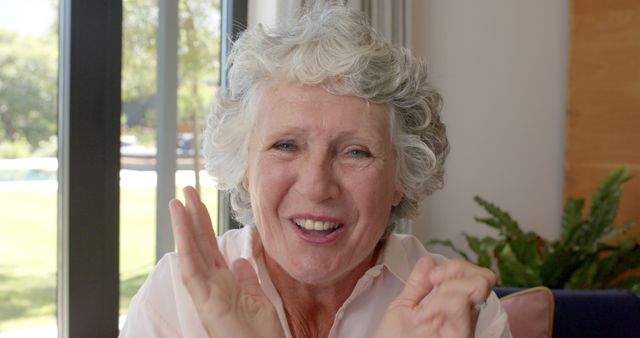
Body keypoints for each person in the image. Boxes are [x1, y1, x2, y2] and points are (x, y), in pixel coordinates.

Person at [120, 3, 511, 338]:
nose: (316, 186)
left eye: (356, 152)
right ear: (244, 167)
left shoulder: (456, 310)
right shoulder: (176, 294)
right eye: (285, 145)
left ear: (402, 178)